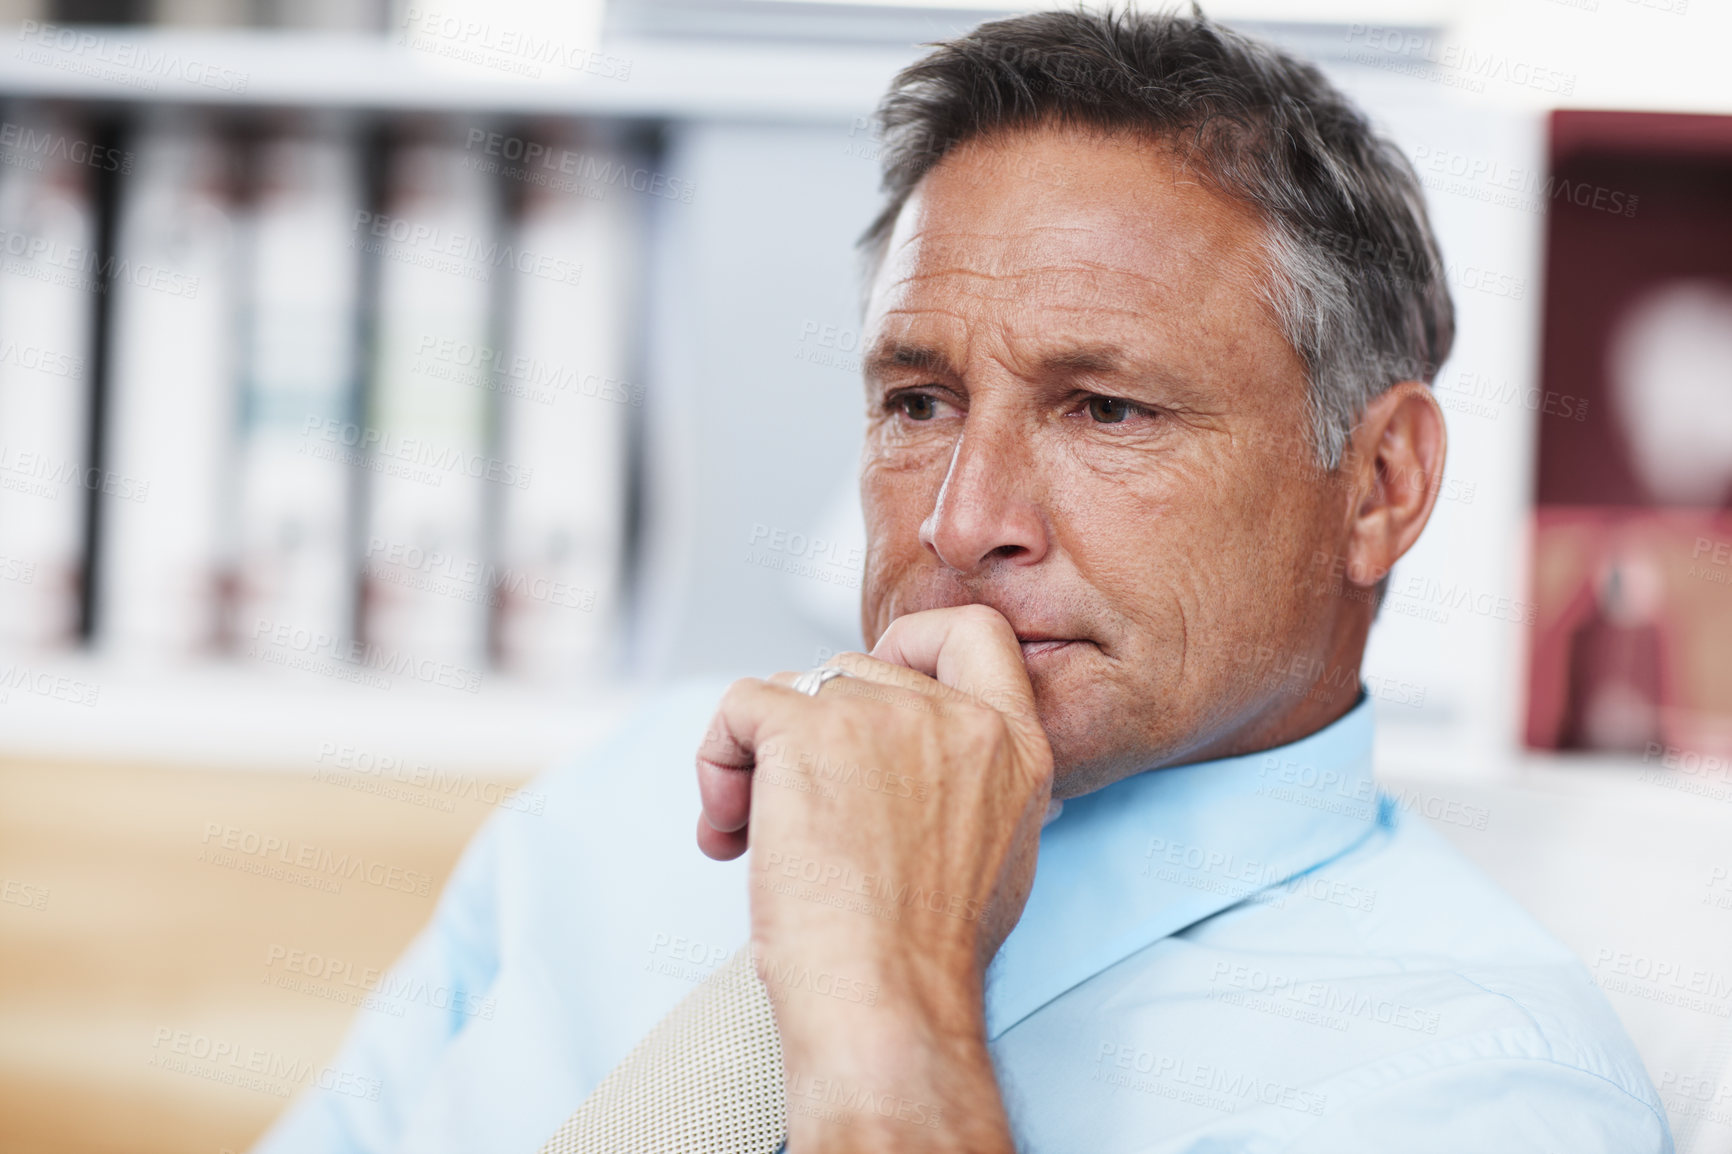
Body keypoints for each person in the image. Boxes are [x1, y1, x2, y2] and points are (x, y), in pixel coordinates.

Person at [258, 11, 1671, 1153]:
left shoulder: (1483, 1091)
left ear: (1381, 487)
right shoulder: (626, 797)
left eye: (1106, 409)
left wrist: (888, 1005)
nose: (960, 518)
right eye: (920, 401)